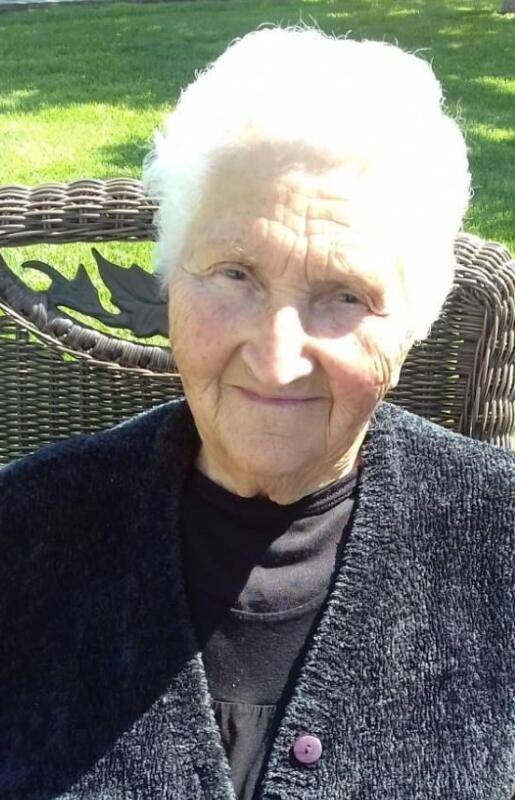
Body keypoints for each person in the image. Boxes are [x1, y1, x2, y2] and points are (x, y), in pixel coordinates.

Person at [1, 25, 514, 800]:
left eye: (344, 295)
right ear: (170, 280)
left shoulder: (497, 538)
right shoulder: (23, 533)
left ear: (413, 321)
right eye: (235, 274)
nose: (277, 360)